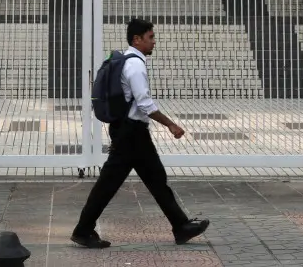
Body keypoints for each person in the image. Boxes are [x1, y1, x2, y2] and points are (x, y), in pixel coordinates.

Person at [71, 18, 210, 248]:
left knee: (156, 180)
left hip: (132, 133)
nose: (154, 42)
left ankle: (181, 226)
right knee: (109, 184)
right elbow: (145, 103)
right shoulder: (135, 65)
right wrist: (171, 124)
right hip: (131, 134)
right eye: (151, 37)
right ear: (137, 39)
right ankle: (83, 230)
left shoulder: (130, 61)